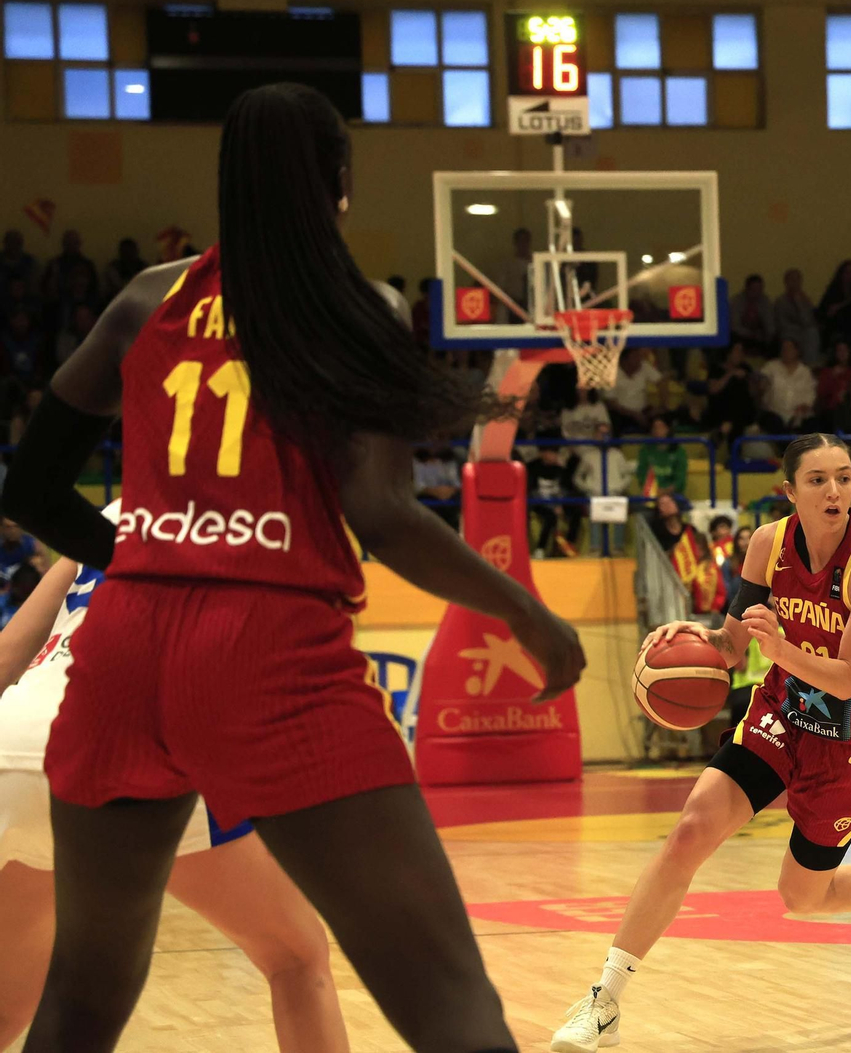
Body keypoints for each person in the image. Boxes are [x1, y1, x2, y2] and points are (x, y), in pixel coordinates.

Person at [0, 83, 585, 1053]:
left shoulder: (148, 299)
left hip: (123, 653)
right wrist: (523, 611)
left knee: (83, 997)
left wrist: (143, 562)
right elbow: (383, 516)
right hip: (268, 650)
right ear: (340, 188)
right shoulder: (358, 307)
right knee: (449, 1001)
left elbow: (28, 488)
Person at [551, 434, 851, 1051]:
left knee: (801, 897)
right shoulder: (768, 544)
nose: (833, 490)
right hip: (783, 713)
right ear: (790, 492)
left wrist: (779, 649)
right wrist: (695, 641)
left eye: (843, 477)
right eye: (817, 480)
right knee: (688, 833)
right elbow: (734, 646)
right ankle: (604, 1001)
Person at [0, 515, 351, 1050]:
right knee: (296, 957)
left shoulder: (112, 512)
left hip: (14, 740)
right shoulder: (262, 516)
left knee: (5, 1008)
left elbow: (6, 655)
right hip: (130, 753)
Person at [763, 337, 819, 431]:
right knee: (771, 422)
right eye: (784, 348)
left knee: (813, 425)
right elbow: (761, 381)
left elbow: (811, 394)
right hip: (774, 414)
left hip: (799, 416)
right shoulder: (771, 367)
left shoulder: (805, 371)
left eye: (789, 348)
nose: (786, 351)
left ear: (797, 351)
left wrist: (805, 406)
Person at [604, 348, 664, 434]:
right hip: (622, 413)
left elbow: (662, 382)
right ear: (625, 359)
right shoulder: (611, 372)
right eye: (635, 356)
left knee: (660, 420)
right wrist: (634, 415)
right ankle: (616, 446)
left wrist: (660, 405)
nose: (639, 359)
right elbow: (610, 402)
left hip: (644, 410)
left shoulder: (644, 366)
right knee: (613, 420)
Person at [773, 268, 821, 366]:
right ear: (786, 282)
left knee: (812, 333)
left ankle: (810, 366)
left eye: (797, 280)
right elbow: (782, 325)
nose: (795, 283)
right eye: (792, 280)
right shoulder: (780, 302)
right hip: (788, 334)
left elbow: (809, 322)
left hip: (803, 333)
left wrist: (799, 304)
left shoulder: (805, 300)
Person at [635, 415, 688, 497]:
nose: (657, 431)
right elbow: (642, 475)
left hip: (673, 495)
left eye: (661, 427)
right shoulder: (645, 450)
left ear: (668, 429)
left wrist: (665, 491)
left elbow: (680, 480)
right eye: (654, 428)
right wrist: (653, 491)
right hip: (650, 494)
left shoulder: (679, 451)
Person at [412, 443, 462, 529]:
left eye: (441, 438)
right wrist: (435, 492)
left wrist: (449, 491)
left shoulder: (449, 460)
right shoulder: (417, 461)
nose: (435, 442)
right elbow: (418, 485)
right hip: (427, 500)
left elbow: (455, 483)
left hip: (448, 499)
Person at [728, 273, 776, 354]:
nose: (757, 293)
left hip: (760, 335)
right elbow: (735, 325)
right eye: (754, 289)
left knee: (776, 342)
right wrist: (751, 334)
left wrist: (768, 335)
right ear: (747, 288)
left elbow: (770, 323)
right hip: (741, 335)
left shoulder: (765, 301)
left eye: (760, 289)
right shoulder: (737, 301)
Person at [815, 339, 851, 415]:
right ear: (835, 353)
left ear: (850, 352)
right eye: (839, 350)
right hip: (830, 412)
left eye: (845, 350)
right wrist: (833, 377)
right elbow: (821, 394)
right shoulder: (826, 372)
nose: (842, 353)